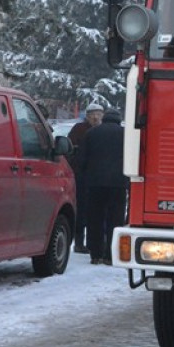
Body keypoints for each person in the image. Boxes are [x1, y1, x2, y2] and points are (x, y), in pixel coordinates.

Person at [78, 108, 127, 265]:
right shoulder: (126, 134)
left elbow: (82, 159)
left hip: (95, 183)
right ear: (118, 120)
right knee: (115, 219)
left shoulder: (92, 133)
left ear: (104, 118)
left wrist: (85, 178)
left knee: (95, 218)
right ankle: (110, 254)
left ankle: (95, 253)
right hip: (118, 184)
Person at [66, 103, 104, 253]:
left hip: (97, 176)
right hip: (81, 175)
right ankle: (79, 242)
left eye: (98, 114)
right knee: (81, 209)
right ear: (87, 116)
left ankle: (91, 242)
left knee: (94, 211)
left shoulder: (102, 131)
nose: (95, 117)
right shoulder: (78, 129)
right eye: (92, 114)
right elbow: (69, 148)